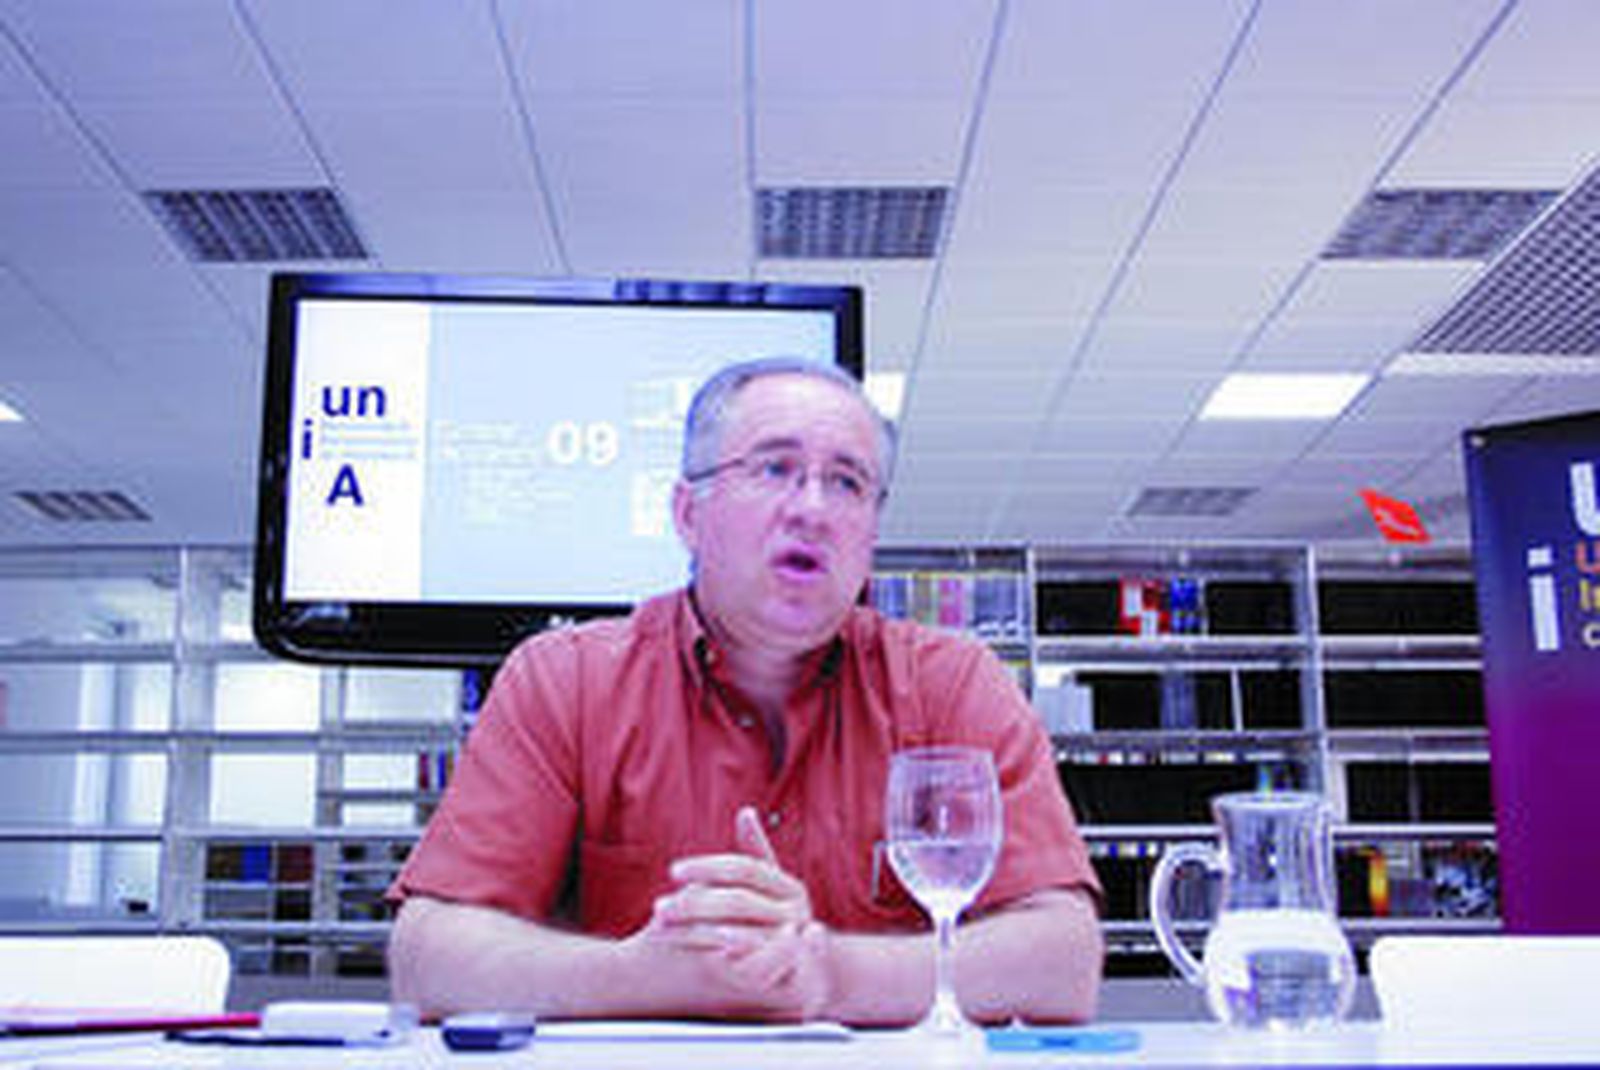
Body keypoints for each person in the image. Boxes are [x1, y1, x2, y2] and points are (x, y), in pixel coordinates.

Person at [387, 356, 1103, 1024]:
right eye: (775, 468)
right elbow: (427, 958)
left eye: (848, 482)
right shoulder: (564, 681)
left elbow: (1065, 960)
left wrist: (828, 974)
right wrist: (643, 975)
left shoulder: (952, 685)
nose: (813, 508)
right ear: (687, 514)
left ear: (871, 532)